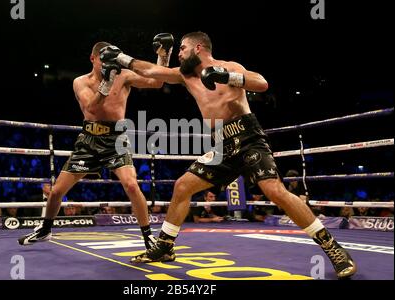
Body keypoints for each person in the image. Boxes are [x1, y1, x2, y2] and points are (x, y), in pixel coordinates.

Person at [100, 31, 356, 278]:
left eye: (183, 48)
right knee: (182, 186)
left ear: (198, 48)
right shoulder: (185, 75)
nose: (179, 54)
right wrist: (121, 58)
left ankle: (332, 247)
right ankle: (165, 246)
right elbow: (152, 71)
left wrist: (227, 76)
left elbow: (261, 83)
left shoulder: (229, 66)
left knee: (275, 191)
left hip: (247, 138)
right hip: (220, 146)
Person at [18, 34, 173, 250]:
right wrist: (107, 84)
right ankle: (45, 229)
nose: (109, 65)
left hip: (116, 139)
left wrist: (163, 56)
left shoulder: (125, 76)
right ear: (93, 59)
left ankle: (148, 236)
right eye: (104, 61)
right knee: (56, 191)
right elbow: (91, 107)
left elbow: (157, 82)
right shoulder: (80, 81)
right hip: (89, 141)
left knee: (130, 184)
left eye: (112, 61)